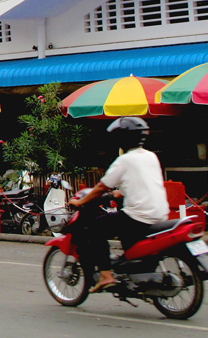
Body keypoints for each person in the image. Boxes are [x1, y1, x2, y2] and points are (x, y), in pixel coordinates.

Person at [68, 117, 169, 293]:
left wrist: (80, 201)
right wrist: (119, 193)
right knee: (120, 225)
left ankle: (106, 275)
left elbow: (101, 187)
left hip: (138, 217)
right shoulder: (151, 156)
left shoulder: (124, 160)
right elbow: (141, 181)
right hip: (160, 215)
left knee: (93, 229)